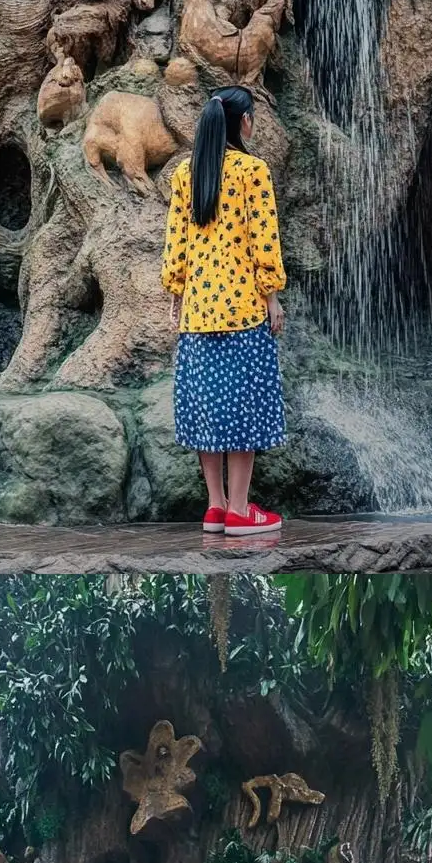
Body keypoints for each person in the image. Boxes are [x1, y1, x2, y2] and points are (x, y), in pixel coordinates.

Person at [161, 85, 287, 539]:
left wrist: (176, 294)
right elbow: (263, 240)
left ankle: (215, 507)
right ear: (244, 122)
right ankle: (240, 511)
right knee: (246, 410)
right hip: (244, 312)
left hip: (196, 315)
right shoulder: (252, 171)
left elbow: (176, 243)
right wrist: (271, 294)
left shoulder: (184, 174)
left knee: (207, 410)